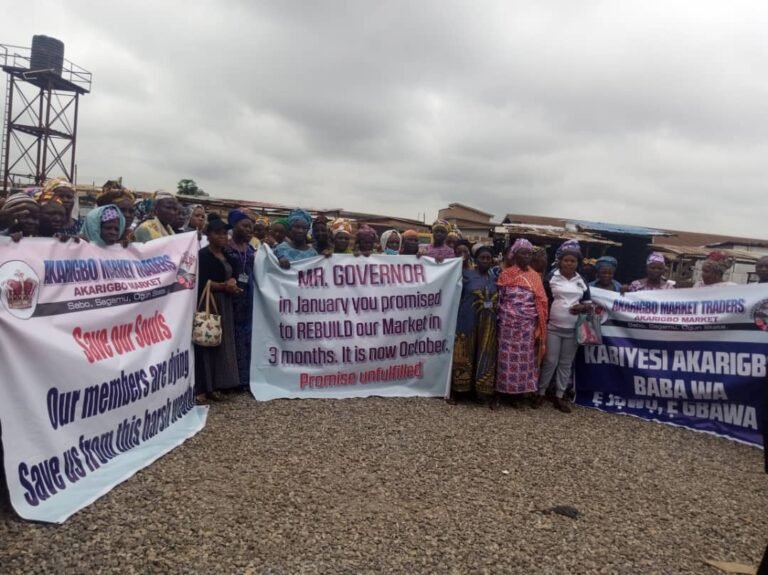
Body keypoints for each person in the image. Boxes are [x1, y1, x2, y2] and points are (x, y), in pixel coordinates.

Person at [533, 240, 591, 413]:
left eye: (573, 261)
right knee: (550, 361)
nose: (569, 263)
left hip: (573, 329)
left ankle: (559, 396)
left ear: (577, 263)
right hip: (553, 327)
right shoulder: (551, 277)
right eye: (566, 260)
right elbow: (543, 300)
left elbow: (588, 303)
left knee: (566, 363)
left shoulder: (582, 281)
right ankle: (541, 393)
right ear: (560, 261)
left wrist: (582, 307)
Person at [496, 239, 549, 405]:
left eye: (529, 253)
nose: (526, 256)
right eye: (522, 253)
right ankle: (503, 393)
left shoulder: (535, 276)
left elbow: (541, 300)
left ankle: (518, 394)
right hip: (508, 325)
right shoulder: (506, 274)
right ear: (515, 255)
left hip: (527, 325)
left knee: (525, 360)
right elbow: (500, 299)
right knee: (505, 359)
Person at [195, 217, 242, 402]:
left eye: (225, 233)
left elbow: (234, 273)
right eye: (218, 233)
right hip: (211, 302)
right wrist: (223, 286)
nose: (223, 236)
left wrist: (233, 282)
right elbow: (201, 281)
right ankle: (204, 386)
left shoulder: (227, 254)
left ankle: (219, 383)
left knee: (223, 343)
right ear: (208, 235)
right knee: (208, 342)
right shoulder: (203, 255)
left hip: (226, 303)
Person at [450, 245, 498, 406]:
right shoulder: (466, 275)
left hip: (488, 324)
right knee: (464, 353)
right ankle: (457, 391)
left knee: (483, 355)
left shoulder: (495, 278)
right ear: (476, 260)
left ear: (492, 261)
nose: (485, 261)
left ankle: (479, 391)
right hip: (467, 321)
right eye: (482, 258)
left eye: (488, 258)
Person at [226, 210, 256, 390]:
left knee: (247, 337)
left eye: (251, 227)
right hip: (231, 298)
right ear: (234, 226)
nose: (249, 230)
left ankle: (246, 378)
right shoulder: (226, 248)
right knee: (232, 337)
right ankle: (232, 379)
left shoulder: (251, 249)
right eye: (245, 226)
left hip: (248, 298)